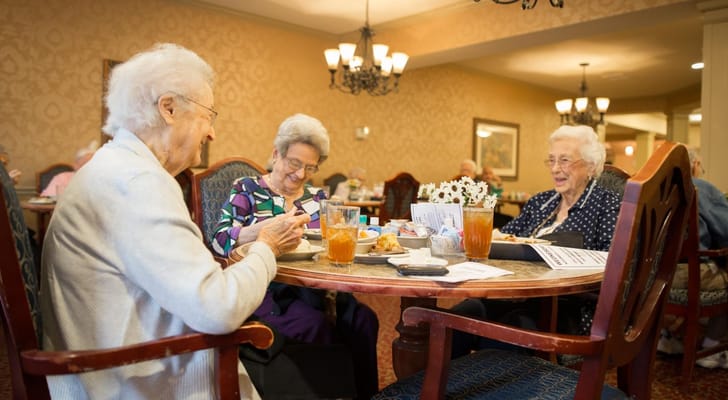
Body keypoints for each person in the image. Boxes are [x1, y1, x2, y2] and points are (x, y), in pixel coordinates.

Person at [39, 43, 310, 399]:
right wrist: (267, 247)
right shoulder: (138, 182)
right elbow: (219, 309)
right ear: (168, 108)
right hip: (135, 382)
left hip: (107, 368)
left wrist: (249, 247)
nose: (212, 132)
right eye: (209, 114)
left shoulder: (115, 167)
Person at [210, 114, 379, 399]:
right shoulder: (247, 189)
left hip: (319, 288)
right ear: (277, 154)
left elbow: (334, 240)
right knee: (314, 325)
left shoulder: (318, 199)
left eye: (310, 167)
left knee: (365, 319)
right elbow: (219, 240)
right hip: (267, 287)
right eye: (294, 163)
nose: (301, 174)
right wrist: (264, 231)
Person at [450, 124, 621, 358]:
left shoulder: (607, 204)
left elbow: (613, 264)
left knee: (509, 331)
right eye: (551, 160)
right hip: (515, 294)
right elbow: (505, 238)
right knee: (458, 317)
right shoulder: (541, 201)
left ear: (591, 166)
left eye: (564, 160)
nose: (555, 169)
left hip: (568, 306)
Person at [658, 147, 728, 368]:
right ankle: (711, 348)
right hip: (689, 276)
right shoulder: (700, 187)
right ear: (695, 165)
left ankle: (668, 338)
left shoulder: (653, 191)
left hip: (654, 277)